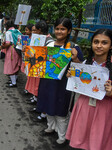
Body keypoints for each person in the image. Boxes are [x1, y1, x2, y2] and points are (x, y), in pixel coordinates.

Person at [38, 18, 84, 147]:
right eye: (57, 28)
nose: (59, 31)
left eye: (63, 29)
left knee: (61, 109)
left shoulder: (74, 47)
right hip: (47, 82)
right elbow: (40, 62)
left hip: (63, 85)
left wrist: (75, 59)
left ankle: (62, 136)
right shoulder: (49, 45)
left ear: (69, 31)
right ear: (54, 29)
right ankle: (50, 127)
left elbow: (81, 69)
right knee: (48, 105)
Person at [66, 29, 112, 150]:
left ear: (111, 45)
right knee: (82, 139)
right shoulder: (86, 64)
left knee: (98, 142)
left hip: (104, 111)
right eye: (96, 42)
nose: (99, 46)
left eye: (104, 42)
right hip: (84, 106)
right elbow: (78, 84)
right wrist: (72, 77)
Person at [0, 19, 22, 87]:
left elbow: (8, 43)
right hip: (18, 49)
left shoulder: (8, 32)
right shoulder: (17, 31)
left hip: (11, 50)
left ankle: (13, 83)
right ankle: (14, 79)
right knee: (16, 64)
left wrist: (2, 47)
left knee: (11, 65)